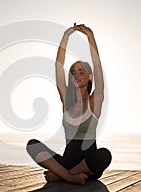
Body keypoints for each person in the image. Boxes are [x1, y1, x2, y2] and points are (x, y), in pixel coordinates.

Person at [26, 23, 112, 185]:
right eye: (73, 72)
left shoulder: (95, 101)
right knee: (33, 145)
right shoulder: (67, 100)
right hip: (66, 161)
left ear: (90, 77)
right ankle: (69, 176)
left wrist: (90, 36)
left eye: (81, 72)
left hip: (88, 166)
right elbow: (58, 66)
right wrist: (66, 36)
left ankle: (62, 176)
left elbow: (98, 66)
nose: (76, 75)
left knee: (105, 155)